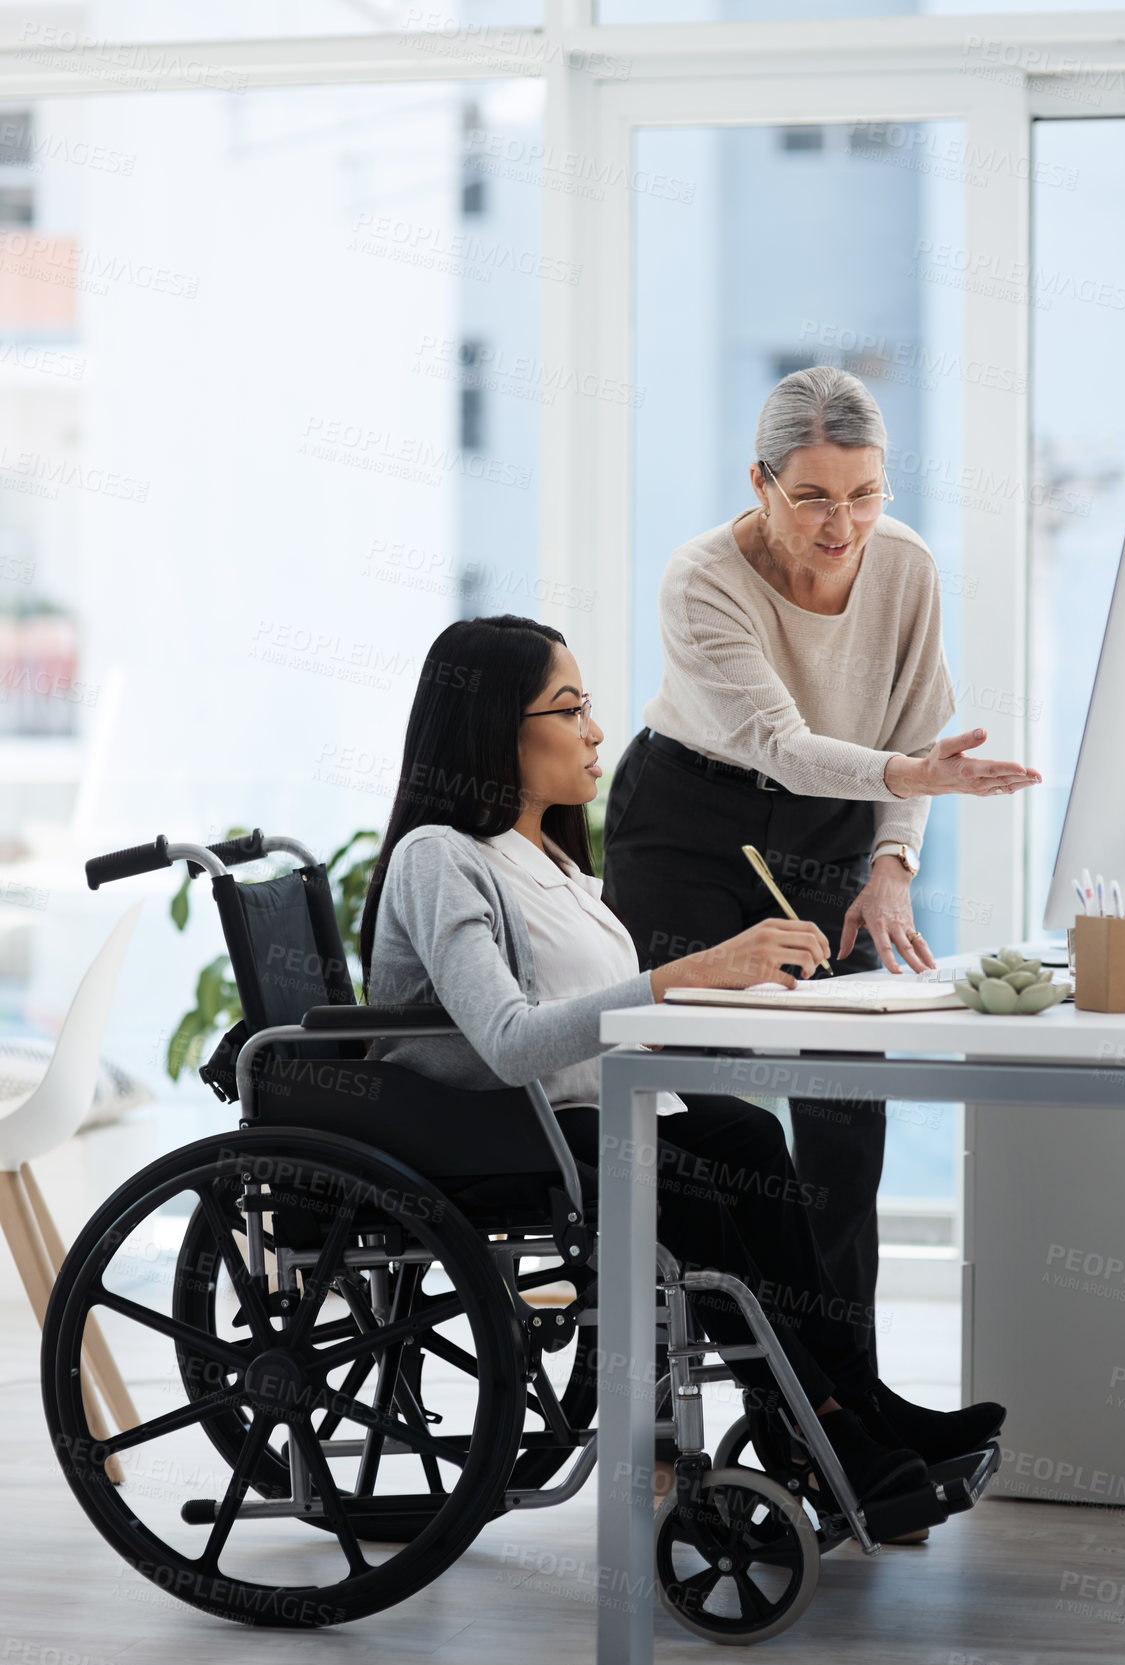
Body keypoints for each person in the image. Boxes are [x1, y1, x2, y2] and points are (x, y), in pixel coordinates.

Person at [359, 612, 1004, 1521]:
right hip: (499, 1133)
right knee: (693, 1183)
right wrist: (688, 971)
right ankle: (818, 1426)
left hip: (582, 1110)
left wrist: (733, 989)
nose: (594, 731)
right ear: (493, 728)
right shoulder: (442, 860)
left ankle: (856, 1398)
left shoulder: (547, 859)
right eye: (569, 708)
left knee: (744, 1133)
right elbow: (509, 1041)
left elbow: (604, 1009)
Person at [603, 365, 1040, 1369]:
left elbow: (919, 725)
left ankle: (843, 1403)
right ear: (759, 483)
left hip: (834, 831)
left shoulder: (907, 567)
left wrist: (894, 860)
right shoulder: (701, 577)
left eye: (865, 494)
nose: (842, 523)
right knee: (686, 1108)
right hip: (688, 819)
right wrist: (908, 773)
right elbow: (783, 745)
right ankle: (680, 1402)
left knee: (845, 1112)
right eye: (812, 497)